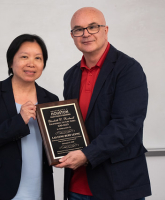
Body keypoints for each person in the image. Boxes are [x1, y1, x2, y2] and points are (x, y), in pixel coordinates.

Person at [55, 7, 151, 200]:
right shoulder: (71, 75)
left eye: (93, 27)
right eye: (78, 29)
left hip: (118, 186)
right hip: (76, 187)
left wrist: (87, 155)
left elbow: (126, 125)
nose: (86, 34)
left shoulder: (128, 69)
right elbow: (71, 125)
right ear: (72, 35)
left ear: (105, 30)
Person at [0, 34, 58, 200]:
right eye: (24, 57)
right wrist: (19, 120)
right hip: (0, 189)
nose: (31, 63)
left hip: (39, 190)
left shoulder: (51, 100)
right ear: (11, 61)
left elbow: (55, 144)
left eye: (38, 58)